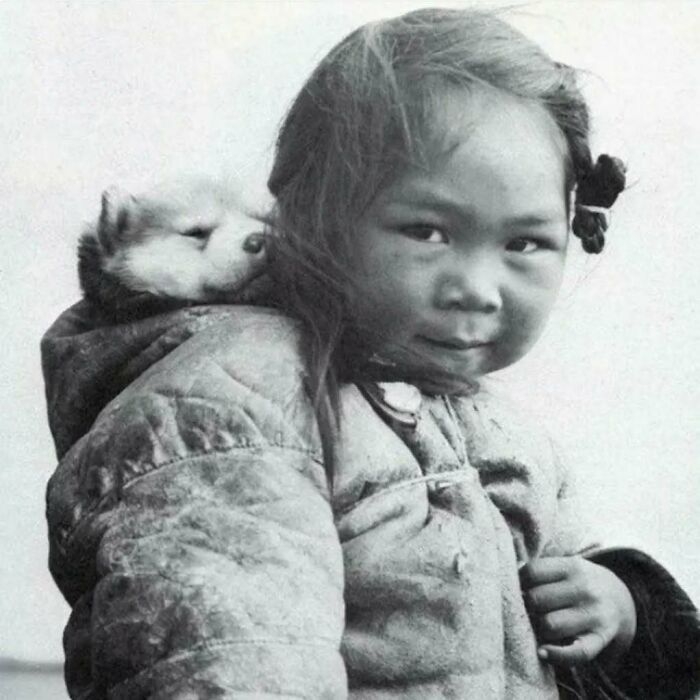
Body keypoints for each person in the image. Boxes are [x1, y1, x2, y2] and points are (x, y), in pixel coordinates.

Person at [42, 7, 699, 699]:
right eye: (428, 231)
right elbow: (230, 658)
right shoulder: (230, 404)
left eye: (524, 243)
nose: (477, 290)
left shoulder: (488, 419)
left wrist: (622, 607)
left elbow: (561, 598)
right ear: (311, 218)